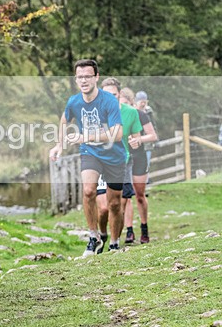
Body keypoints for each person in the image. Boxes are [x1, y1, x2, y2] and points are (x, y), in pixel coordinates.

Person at [50, 60, 125, 255]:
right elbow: (64, 120)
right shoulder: (74, 101)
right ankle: (94, 237)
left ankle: (115, 242)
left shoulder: (109, 100)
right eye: (80, 77)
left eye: (88, 76)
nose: (84, 80)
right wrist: (59, 145)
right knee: (89, 191)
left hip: (114, 155)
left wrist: (86, 136)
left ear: (96, 77)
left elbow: (117, 134)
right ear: (76, 79)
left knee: (115, 203)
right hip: (90, 153)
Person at [97, 79, 141, 250]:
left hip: (122, 162)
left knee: (118, 206)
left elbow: (136, 137)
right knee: (103, 209)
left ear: (119, 94)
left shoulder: (131, 112)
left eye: (113, 94)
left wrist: (135, 141)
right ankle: (102, 234)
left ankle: (114, 243)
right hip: (101, 162)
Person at [121, 87, 157, 244]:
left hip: (139, 157)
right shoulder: (114, 115)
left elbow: (153, 136)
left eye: (125, 103)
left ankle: (144, 228)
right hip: (123, 158)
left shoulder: (140, 115)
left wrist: (140, 140)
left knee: (139, 195)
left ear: (131, 103)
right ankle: (129, 231)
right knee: (126, 195)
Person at [135, 91, 156, 183]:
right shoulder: (133, 112)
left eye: (145, 101)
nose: (143, 104)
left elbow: (153, 127)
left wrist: (156, 140)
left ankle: (145, 182)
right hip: (136, 144)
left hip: (147, 143)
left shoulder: (149, 112)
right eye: (141, 102)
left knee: (146, 163)